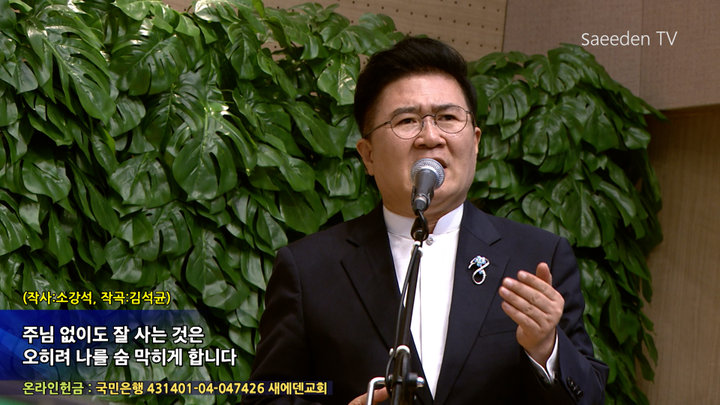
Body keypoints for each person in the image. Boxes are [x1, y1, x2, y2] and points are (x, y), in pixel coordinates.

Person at [242, 37, 608, 405]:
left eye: (448, 118)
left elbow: (590, 396)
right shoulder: (310, 269)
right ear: (368, 156)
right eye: (406, 120)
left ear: (475, 141)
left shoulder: (537, 257)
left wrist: (546, 348)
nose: (430, 137)